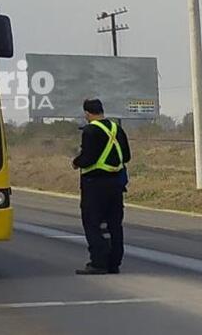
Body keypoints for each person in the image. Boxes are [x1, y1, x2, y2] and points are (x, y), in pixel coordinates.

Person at [72, 98, 131, 275]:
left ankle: (98, 263)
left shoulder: (90, 131)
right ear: (102, 110)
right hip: (116, 185)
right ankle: (114, 263)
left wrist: (76, 162)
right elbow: (126, 156)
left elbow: (88, 158)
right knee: (114, 224)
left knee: (93, 223)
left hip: (95, 185)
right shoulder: (117, 129)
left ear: (87, 114)